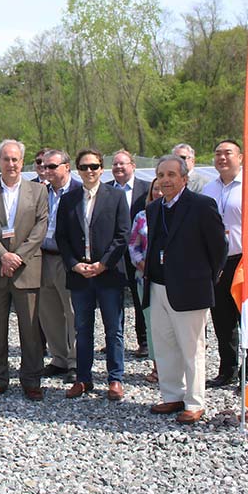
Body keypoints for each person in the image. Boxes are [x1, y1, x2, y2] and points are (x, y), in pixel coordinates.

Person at [145, 155, 227, 424]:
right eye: (161, 175)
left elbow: (218, 248)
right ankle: (172, 396)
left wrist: (207, 277)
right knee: (165, 345)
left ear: (184, 178)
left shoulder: (201, 205)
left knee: (191, 349)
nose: (166, 180)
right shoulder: (155, 208)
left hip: (190, 289)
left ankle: (194, 402)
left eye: (171, 174)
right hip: (158, 286)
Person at [0, 139, 48, 401]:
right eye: (6, 159)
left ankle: (31, 379)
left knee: (30, 328)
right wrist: (3, 255)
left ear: (21, 161)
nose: (11, 164)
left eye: (15, 159)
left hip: (27, 269)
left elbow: (40, 228)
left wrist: (17, 257)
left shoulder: (38, 191)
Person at [57, 148, 131, 401]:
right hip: (80, 274)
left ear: (102, 168)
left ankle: (115, 379)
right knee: (82, 328)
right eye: (85, 167)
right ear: (78, 169)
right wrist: (74, 264)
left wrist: (103, 264)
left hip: (107, 273)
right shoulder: (69, 199)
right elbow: (62, 238)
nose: (90, 171)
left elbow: (123, 235)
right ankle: (83, 378)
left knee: (114, 329)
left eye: (95, 166)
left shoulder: (117, 197)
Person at [201, 139, 248, 387]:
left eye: (227, 153)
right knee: (222, 319)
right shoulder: (208, 189)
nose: (222, 158)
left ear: (241, 157)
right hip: (217, 263)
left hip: (245, 260)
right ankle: (228, 369)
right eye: (217, 154)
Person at [36, 149, 81, 384]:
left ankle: (75, 361)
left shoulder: (78, 191)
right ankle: (59, 359)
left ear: (66, 167)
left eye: (52, 166)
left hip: (67, 260)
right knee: (49, 312)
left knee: (72, 311)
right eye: (44, 166)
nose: (47, 171)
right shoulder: (40, 192)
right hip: (43, 257)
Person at [106, 149, 151, 358]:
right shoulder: (105, 190)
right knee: (114, 299)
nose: (118, 168)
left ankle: (143, 341)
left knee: (139, 297)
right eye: (115, 164)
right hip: (113, 252)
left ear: (133, 165)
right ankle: (114, 339)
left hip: (138, 254)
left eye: (122, 163)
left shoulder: (146, 189)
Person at [127, 179, 164, 383]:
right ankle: (158, 366)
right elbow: (133, 245)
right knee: (152, 324)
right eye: (155, 189)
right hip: (145, 278)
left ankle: (176, 368)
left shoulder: (178, 214)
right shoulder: (142, 217)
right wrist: (142, 265)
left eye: (162, 188)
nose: (159, 192)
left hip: (173, 280)